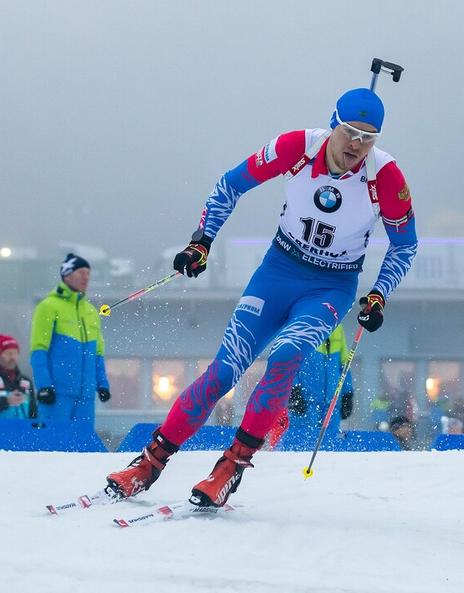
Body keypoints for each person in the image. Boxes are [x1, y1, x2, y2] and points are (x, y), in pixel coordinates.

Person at [105, 87, 418, 507]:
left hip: (331, 286)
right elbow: (229, 186)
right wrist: (203, 242)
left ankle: (230, 467)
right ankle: (148, 464)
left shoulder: (387, 176)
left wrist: (379, 294)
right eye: (350, 133)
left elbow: (405, 245)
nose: (358, 145)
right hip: (278, 273)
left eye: (369, 137)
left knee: (287, 354)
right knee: (223, 372)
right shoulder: (296, 147)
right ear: (332, 125)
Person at [30, 253, 111, 428]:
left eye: (88, 273)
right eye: (81, 272)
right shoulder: (48, 306)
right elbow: (38, 350)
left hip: (86, 396)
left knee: (82, 449)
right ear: (66, 274)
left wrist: (102, 384)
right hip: (57, 393)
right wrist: (44, 385)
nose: (86, 277)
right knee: (53, 445)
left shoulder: (91, 312)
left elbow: (98, 353)